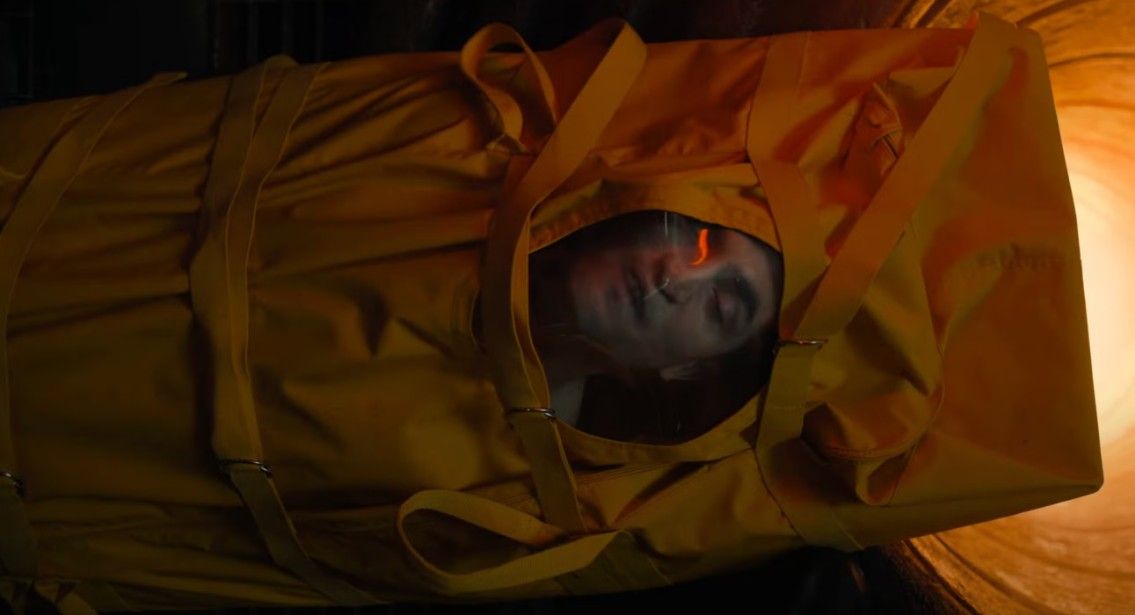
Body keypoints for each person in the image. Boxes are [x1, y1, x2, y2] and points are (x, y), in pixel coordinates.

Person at [525, 209, 784, 443]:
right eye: (697, 238)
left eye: (720, 308)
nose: (675, 276)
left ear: (692, 368)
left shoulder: (543, 462)